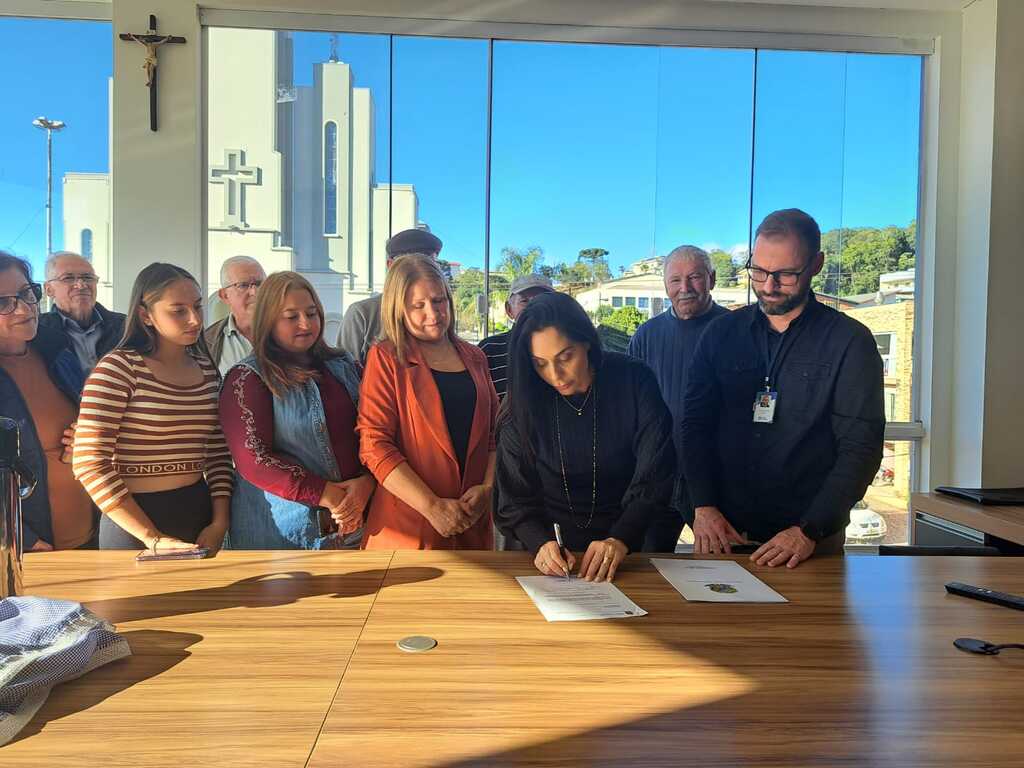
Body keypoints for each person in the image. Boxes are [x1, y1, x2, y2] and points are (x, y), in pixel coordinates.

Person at [681, 208, 884, 568]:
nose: (768, 286)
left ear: (817, 264)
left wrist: (809, 529)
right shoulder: (720, 334)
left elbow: (860, 448)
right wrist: (703, 505)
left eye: (786, 274)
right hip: (724, 533)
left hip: (808, 543)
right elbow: (694, 426)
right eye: (758, 271)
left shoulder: (849, 342)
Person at [495, 292, 675, 582]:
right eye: (540, 363)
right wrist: (540, 543)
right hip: (549, 558)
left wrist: (621, 537)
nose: (556, 375)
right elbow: (513, 496)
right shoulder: (525, 400)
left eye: (566, 357)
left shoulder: (633, 380)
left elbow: (657, 471)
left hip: (626, 547)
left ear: (587, 342)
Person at [73, 263, 233, 553]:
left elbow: (219, 454)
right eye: (178, 310)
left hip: (200, 515)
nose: (195, 319)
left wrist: (219, 522)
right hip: (132, 523)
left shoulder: (207, 370)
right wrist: (151, 537)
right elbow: (88, 463)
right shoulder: (118, 369)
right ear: (145, 315)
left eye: (198, 306)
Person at [219, 271, 374, 549]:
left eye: (312, 313)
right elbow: (253, 460)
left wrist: (367, 483)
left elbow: (374, 431)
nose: (305, 324)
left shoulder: (343, 363)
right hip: (285, 533)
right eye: (291, 317)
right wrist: (329, 495)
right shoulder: (248, 377)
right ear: (268, 320)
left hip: (358, 519)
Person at [357, 255, 498, 549]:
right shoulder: (385, 358)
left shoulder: (476, 358)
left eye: (439, 301)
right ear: (398, 310)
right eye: (417, 306)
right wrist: (432, 506)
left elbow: (494, 438)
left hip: (472, 523)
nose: (433, 314)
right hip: (408, 527)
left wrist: (488, 487)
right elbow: (374, 445)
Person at [627, 245, 729, 552]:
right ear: (665, 286)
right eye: (675, 281)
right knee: (649, 564)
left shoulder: (736, 329)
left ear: (711, 279)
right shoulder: (646, 335)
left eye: (694, 277)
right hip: (658, 473)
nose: (684, 288)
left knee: (719, 569)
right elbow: (630, 405)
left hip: (717, 479)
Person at [0, 251, 95, 551]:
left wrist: (87, 435)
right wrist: (23, 540)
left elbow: (88, 420)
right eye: (3, 303)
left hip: (92, 537)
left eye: (26, 293)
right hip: (28, 552)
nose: (24, 309)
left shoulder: (56, 350)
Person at [337, 229, 442, 364]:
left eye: (430, 263)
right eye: (408, 265)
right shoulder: (362, 314)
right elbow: (344, 374)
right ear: (390, 265)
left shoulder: (441, 310)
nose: (419, 270)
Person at [39, 251, 125, 376]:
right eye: (68, 278)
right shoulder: (37, 332)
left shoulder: (125, 326)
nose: (81, 285)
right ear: (49, 290)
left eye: (88, 277)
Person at [478, 274, 554, 398]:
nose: (534, 307)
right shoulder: (488, 349)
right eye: (524, 301)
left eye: (542, 300)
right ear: (509, 310)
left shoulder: (567, 348)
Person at [204, 255, 266, 375]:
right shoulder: (207, 343)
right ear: (224, 295)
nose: (254, 292)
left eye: (259, 284)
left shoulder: (288, 331)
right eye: (243, 285)